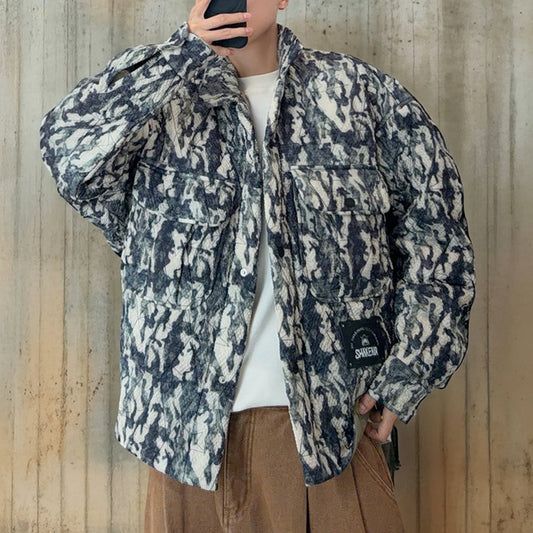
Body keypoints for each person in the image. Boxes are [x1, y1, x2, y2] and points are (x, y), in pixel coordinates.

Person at [39, 0, 476, 531]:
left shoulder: (358, 95)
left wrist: (408, 369)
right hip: (184, 441)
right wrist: (182, 54)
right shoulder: (158, 98)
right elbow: (66, 151)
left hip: (329, 436)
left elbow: (438, 232)